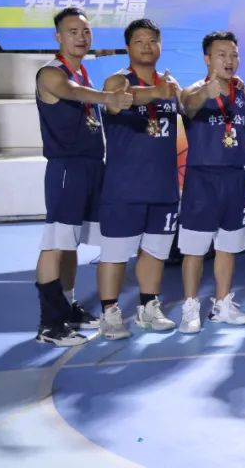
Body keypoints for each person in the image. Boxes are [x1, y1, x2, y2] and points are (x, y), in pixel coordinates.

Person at [34, 7, 132, 345]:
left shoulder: (84, 74)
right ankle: (50, 324)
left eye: (85, 31)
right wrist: (109, 98)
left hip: (92, 166)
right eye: (73, 31)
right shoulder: (51, 73)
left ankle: (68, 306)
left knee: (71, 243)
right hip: (67, 167)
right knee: (55, 244)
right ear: (58, 37)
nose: (81, 37)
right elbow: (71, 92)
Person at [96, 19, 181, 340]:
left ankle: (148, 307)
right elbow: (121, 98)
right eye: (139, 41)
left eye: (152, 40)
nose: (147, 46)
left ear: (160, 45)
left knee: (156, 252)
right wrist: (156, 92)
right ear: (128, 47)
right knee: (115, 254)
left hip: (163, 186)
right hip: (125, 187)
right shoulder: (117, 81)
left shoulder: (170, 83)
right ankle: (109, 313)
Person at [177, 31, 245, 333]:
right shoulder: (193, 91)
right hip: (202, 181)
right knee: (195, 250)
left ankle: (222, 305)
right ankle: (189, 308)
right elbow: (188, 107)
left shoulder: (241, 92)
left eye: (234, 54)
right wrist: (205, 94)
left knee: (228, 246)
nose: (229, 60)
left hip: (235, 178)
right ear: (207, 59)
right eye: (221, 54)